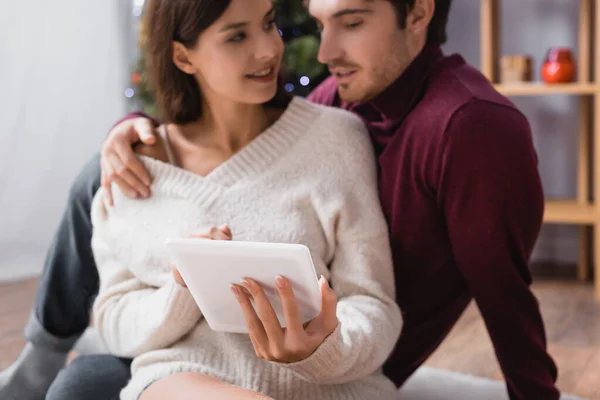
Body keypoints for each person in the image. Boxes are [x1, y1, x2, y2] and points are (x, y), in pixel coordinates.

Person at [0, 0, 561, 399]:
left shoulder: (470, 128)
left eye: (353, 21)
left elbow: (504, 293)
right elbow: (261, 141)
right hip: (188, 355)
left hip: (340, 358)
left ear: (417, 13)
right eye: (318, 23)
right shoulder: (344, 94)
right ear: (184, 56)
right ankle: (42, 357)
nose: (321, 51)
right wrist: (135, 129)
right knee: (96, 189)